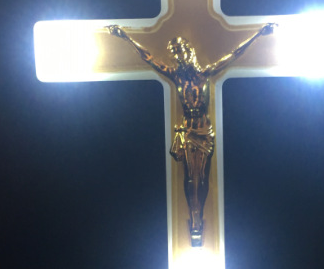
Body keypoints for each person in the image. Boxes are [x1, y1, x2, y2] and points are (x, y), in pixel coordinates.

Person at [109, 23, 275, 246]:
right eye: (175, 54)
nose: (178, 57)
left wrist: (259, 34)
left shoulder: (205, 73)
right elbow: (148, 57)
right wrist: (125, 37)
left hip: (204, 131)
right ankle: (195, 217)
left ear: (189, 52)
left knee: (202, 177)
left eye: (181, 51)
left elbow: (235, 54)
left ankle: (199, 213)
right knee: (190, 177)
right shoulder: (176, 76)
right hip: (187, 131)